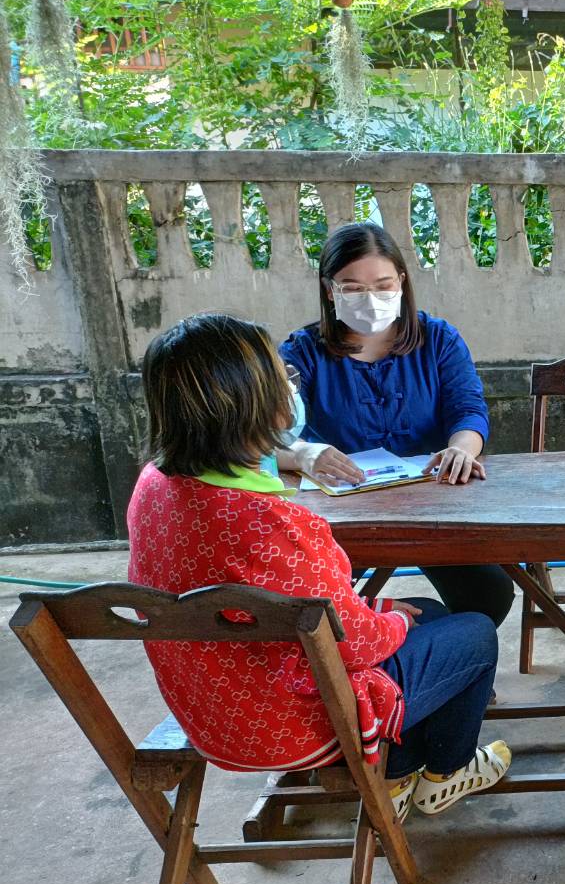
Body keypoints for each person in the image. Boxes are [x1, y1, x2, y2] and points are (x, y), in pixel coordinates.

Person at [128, 313, 511, 819]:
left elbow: (298, 605)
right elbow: (358, 644)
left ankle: (399, 775)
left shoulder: (154, 486)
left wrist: (382, 609)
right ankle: (444, 772)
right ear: (249, 401)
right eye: (278, 376)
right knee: (476, 631)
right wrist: (388, 618)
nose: (289, 385)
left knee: (429, 613)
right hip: (290, 722)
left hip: (211, 708)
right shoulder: (271, 521)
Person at [278, 222, 515, 639]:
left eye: (383, 284)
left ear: (402, 283)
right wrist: (302, 454)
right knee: (316, 605)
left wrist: (462, 449)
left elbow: (469, 411)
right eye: (351, 288)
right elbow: (263, 434)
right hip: (339, 516)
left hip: (432, 502)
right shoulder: (302, 352)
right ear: (329, 289)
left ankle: (459, 669)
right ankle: (354, 682)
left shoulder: (437, 339)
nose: (369, 299)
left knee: (489, 592)